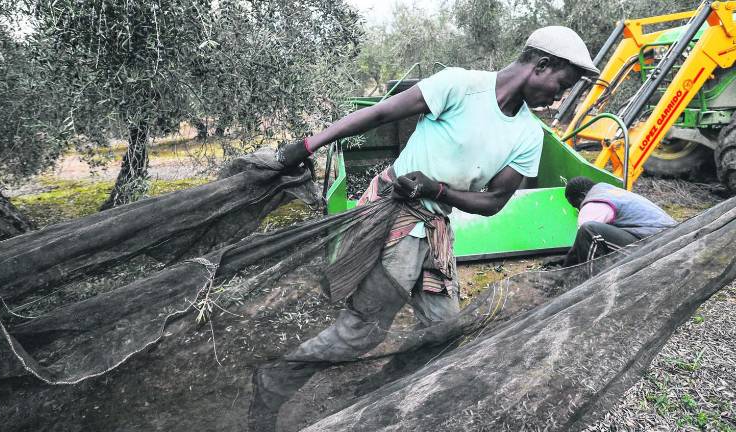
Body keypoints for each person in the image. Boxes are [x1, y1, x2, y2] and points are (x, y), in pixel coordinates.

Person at [251, 26, 600, 430]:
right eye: (562, 83)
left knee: (442, 330)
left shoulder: (528, 134)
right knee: (361, 332)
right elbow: (379, 113)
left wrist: (437, 189)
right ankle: (273, 381)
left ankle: (386, 391)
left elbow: (493, 202)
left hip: (435, 230)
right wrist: (308, 145)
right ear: (541, 65)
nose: (560, 96)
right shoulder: (459, 86)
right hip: (393, 217)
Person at [562, 176, 677, 266]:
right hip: (673, 236)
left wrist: (564, 271)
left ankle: (592, 287)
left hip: (657, 244)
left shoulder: (593, 203)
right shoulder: (610, 192)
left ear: (583, 196)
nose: (578, 209)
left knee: (588, 231)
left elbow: (581, 243)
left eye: (576, 205)